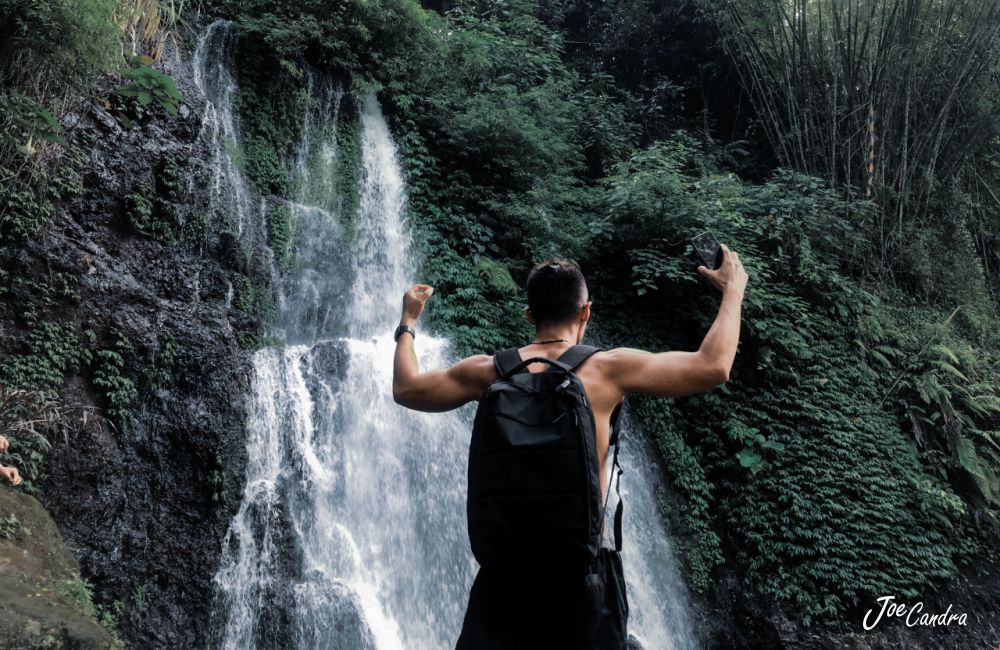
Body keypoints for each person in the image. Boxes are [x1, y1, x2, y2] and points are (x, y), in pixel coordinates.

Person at [392, 245, 748, 648]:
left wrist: (408, 322)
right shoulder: (609, 370)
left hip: (504, 581)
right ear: (586, 312)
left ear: (529, 316)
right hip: (579, 580)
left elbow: (406, 389)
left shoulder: (486, 371)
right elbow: (714, 365)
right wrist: (733, 290)